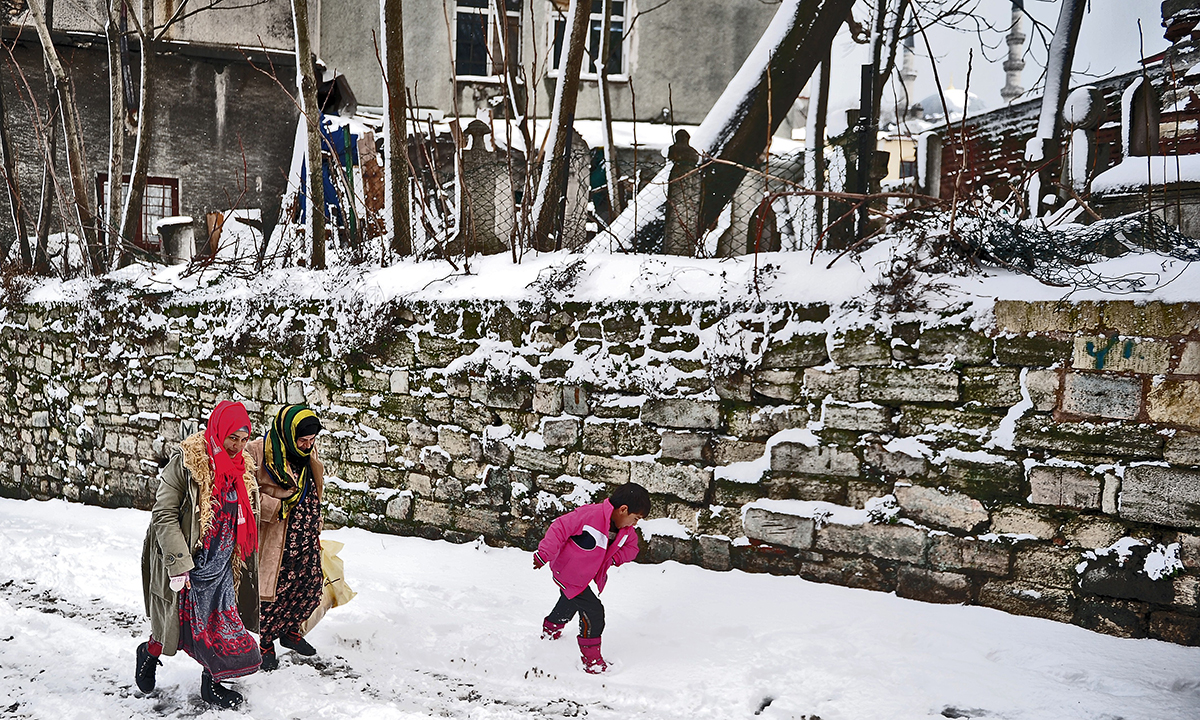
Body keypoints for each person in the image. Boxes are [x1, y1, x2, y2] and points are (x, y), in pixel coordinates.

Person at [135, 401, 262, 709]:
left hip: (223, 567)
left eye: (244, 439)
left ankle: (212, 685)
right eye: (233, 438)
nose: (238, 446)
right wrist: (179, 565)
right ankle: (148, 653)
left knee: (221, 632)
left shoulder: (242, 467)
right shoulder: (187, 462)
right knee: (175, 632)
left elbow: (247, 513)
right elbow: (163, 514)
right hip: (191, 565)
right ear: (218, 430)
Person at [532, 482, 650, 673]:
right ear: (623, 509)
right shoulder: (589, 516)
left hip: (582, 574)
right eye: (635, 518)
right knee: (593, 612)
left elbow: (632, 549)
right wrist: (544, 554)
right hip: (568, 570)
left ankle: (551, 629)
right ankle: (591, 661)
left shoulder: (626, 531)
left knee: (571, 599)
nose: (634, 524)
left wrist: (611, 559)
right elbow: (560, 528)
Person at [247, 404, 325, 671]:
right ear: (287, 433)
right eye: (302, 440)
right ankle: (266, 643)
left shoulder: (306, 451)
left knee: (310, 586)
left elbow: (312, 486)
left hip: (305, 534)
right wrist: (276, 507)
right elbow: (247, 492)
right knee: (273, 594)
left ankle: (291, 632)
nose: (307, 445)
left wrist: (316, 521)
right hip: (277, 538)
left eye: (311, 440)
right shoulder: (257, 452)